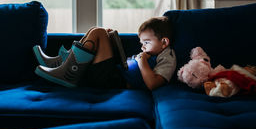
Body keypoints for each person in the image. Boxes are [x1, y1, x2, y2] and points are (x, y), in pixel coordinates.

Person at [33, 16, 176, 90]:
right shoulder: (155, 52)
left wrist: (142, 61)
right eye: (142, 43)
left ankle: (68, 74)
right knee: (98, 30)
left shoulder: (167, 57)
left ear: (164, 42)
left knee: (98, 32)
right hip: (114, 73)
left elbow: (152, 84)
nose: (143, 47)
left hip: (115, 81)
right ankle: (63, 63)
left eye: (146, 42)